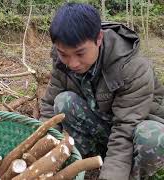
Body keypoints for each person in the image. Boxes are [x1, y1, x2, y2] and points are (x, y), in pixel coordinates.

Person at [40, 3, 164, 180]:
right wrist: (38, 150)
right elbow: (49, 106)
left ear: (99, 38)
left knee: (154, 138)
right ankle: (84, 162)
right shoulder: (62, 61)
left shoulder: (132, 68)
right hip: (104, 123)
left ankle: (130, 175)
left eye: (80, 53)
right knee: (63, 102)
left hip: (134, 131)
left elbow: (124, 131)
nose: (73, 63)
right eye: (64, 54)